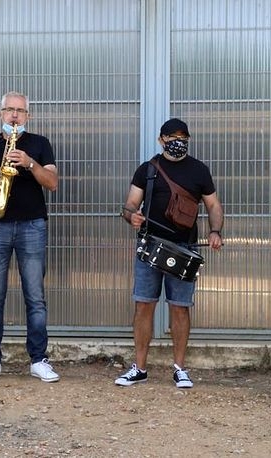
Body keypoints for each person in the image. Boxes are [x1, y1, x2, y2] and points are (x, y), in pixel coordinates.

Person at [116, 118, 224, 389]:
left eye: (183, 138)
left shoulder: (199, 170)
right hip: (149, 247)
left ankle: (180, 369)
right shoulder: (147, 170)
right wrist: (132, 217)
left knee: (180, 308)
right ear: (161, 140)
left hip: (185, 249)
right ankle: (140, 368)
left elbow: (213, 205)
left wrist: (215, 231)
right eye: (173, 138)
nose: (178, 142)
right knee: (143, 306)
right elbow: (130, 204)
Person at [0, 91, 60, 383]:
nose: (15, 115)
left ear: (28, 116)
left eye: (20, 110)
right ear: (1, 114)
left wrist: (30, 163)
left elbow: (53, 183)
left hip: (32, 226)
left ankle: (38, 360)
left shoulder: (40, 144)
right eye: (9, 109)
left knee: (35, 297)